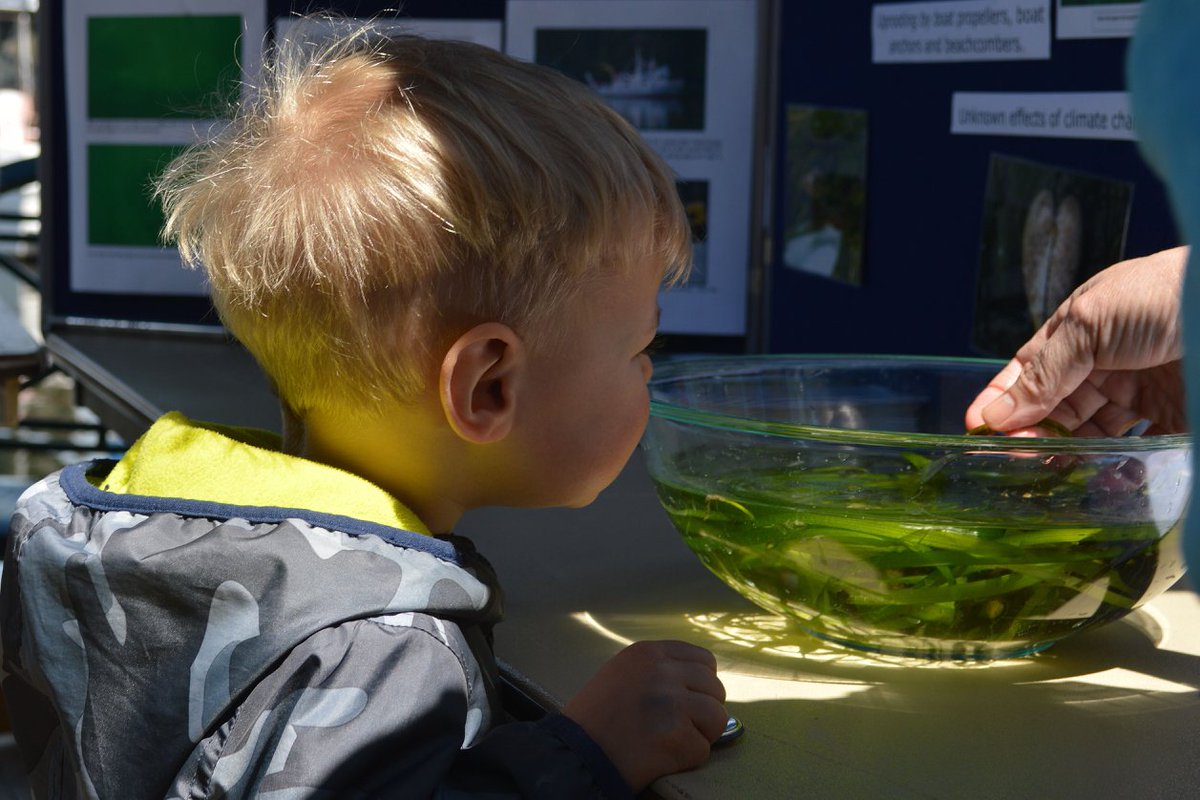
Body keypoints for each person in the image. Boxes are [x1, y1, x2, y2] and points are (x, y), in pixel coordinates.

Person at [0, 25, 728, 799]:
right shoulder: (380, 650)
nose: (649, 370)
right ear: (487, 388)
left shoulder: (102, 523)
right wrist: (583, 757)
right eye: (638, 346)